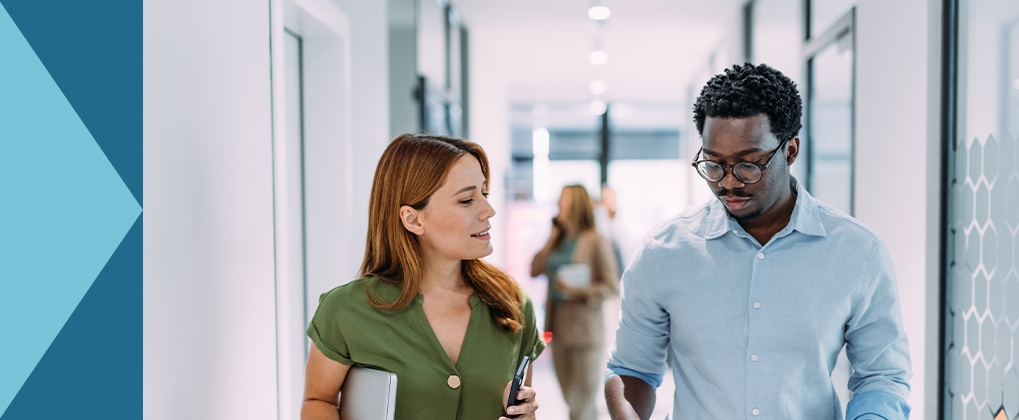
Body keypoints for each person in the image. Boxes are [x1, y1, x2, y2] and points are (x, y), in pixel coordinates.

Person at [603, 63, 912, 420]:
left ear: (791, 151)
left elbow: (882, 376)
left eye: (748, 164)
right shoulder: (663, 251)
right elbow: (631, 370)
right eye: (713, 164)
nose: (728, 183)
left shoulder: (859, 254)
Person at [302, 134, 547, 420]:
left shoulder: (513, 303)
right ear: (413, 219)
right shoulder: (345, 310)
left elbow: (518, 406)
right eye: (467, 199)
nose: (488, 210)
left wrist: (524, 415)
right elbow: (318, 400)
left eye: (485, 193)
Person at [530, 184, 620, 420]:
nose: (560, 203)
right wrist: (553, 236)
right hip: (557, 328)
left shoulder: (595, 240)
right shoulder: (557, 241)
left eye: (565, 199)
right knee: (570, 398)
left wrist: (578, 290)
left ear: (577, 204)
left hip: (585, 330)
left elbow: (611, 286)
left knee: (583, 401)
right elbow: (534, 269)